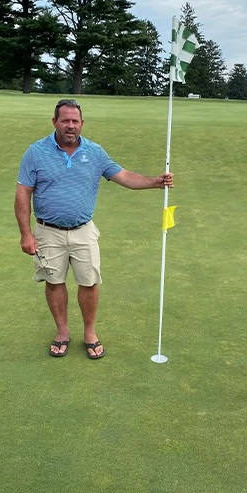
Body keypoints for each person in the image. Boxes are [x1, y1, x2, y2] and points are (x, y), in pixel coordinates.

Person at [14, 98, 174, 359]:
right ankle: (62, 332)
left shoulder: (95, 152)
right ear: (54, 122)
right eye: (64, 120)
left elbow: (123, 176)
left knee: (89, 283)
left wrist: (155, 182)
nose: (70, 125)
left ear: (82, 123)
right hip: (47, 231)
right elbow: (23, 194)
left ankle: (90, 332)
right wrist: (26, 233)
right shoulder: (36, 152)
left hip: (83, 230)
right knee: (54, 282)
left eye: (75, 121)